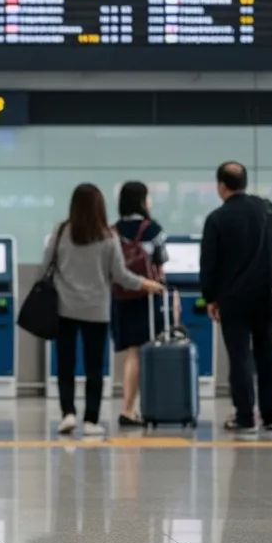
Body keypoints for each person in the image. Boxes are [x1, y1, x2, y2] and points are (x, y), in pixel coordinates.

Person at [45, 183, 166, 437]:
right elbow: (120, 275)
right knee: (94, 366)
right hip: (96, 310)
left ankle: (68, 413)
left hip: (64, 308)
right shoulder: (107, 236)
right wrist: (147, 284)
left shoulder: (60, 231)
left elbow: (46, 266)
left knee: (65, 364)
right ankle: (91, 420)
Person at [199, 161, 272, 437]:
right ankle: (271, 416)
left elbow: (209, 264)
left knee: (239, 357)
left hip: (233, 300)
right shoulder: (268, 209)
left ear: (221, 186)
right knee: (268, 356)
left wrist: (210, 298)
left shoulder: (217, 218)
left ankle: (245, 418)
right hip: (268, 296)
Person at [111, 181, 169, 428]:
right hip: (147, 295)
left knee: (131, 353)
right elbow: (161, 264)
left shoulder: (112, 230)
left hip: (121, 296)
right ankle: (140, 408)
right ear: (142, 201)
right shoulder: (153, 229)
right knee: (148, 351)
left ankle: (129, 408)